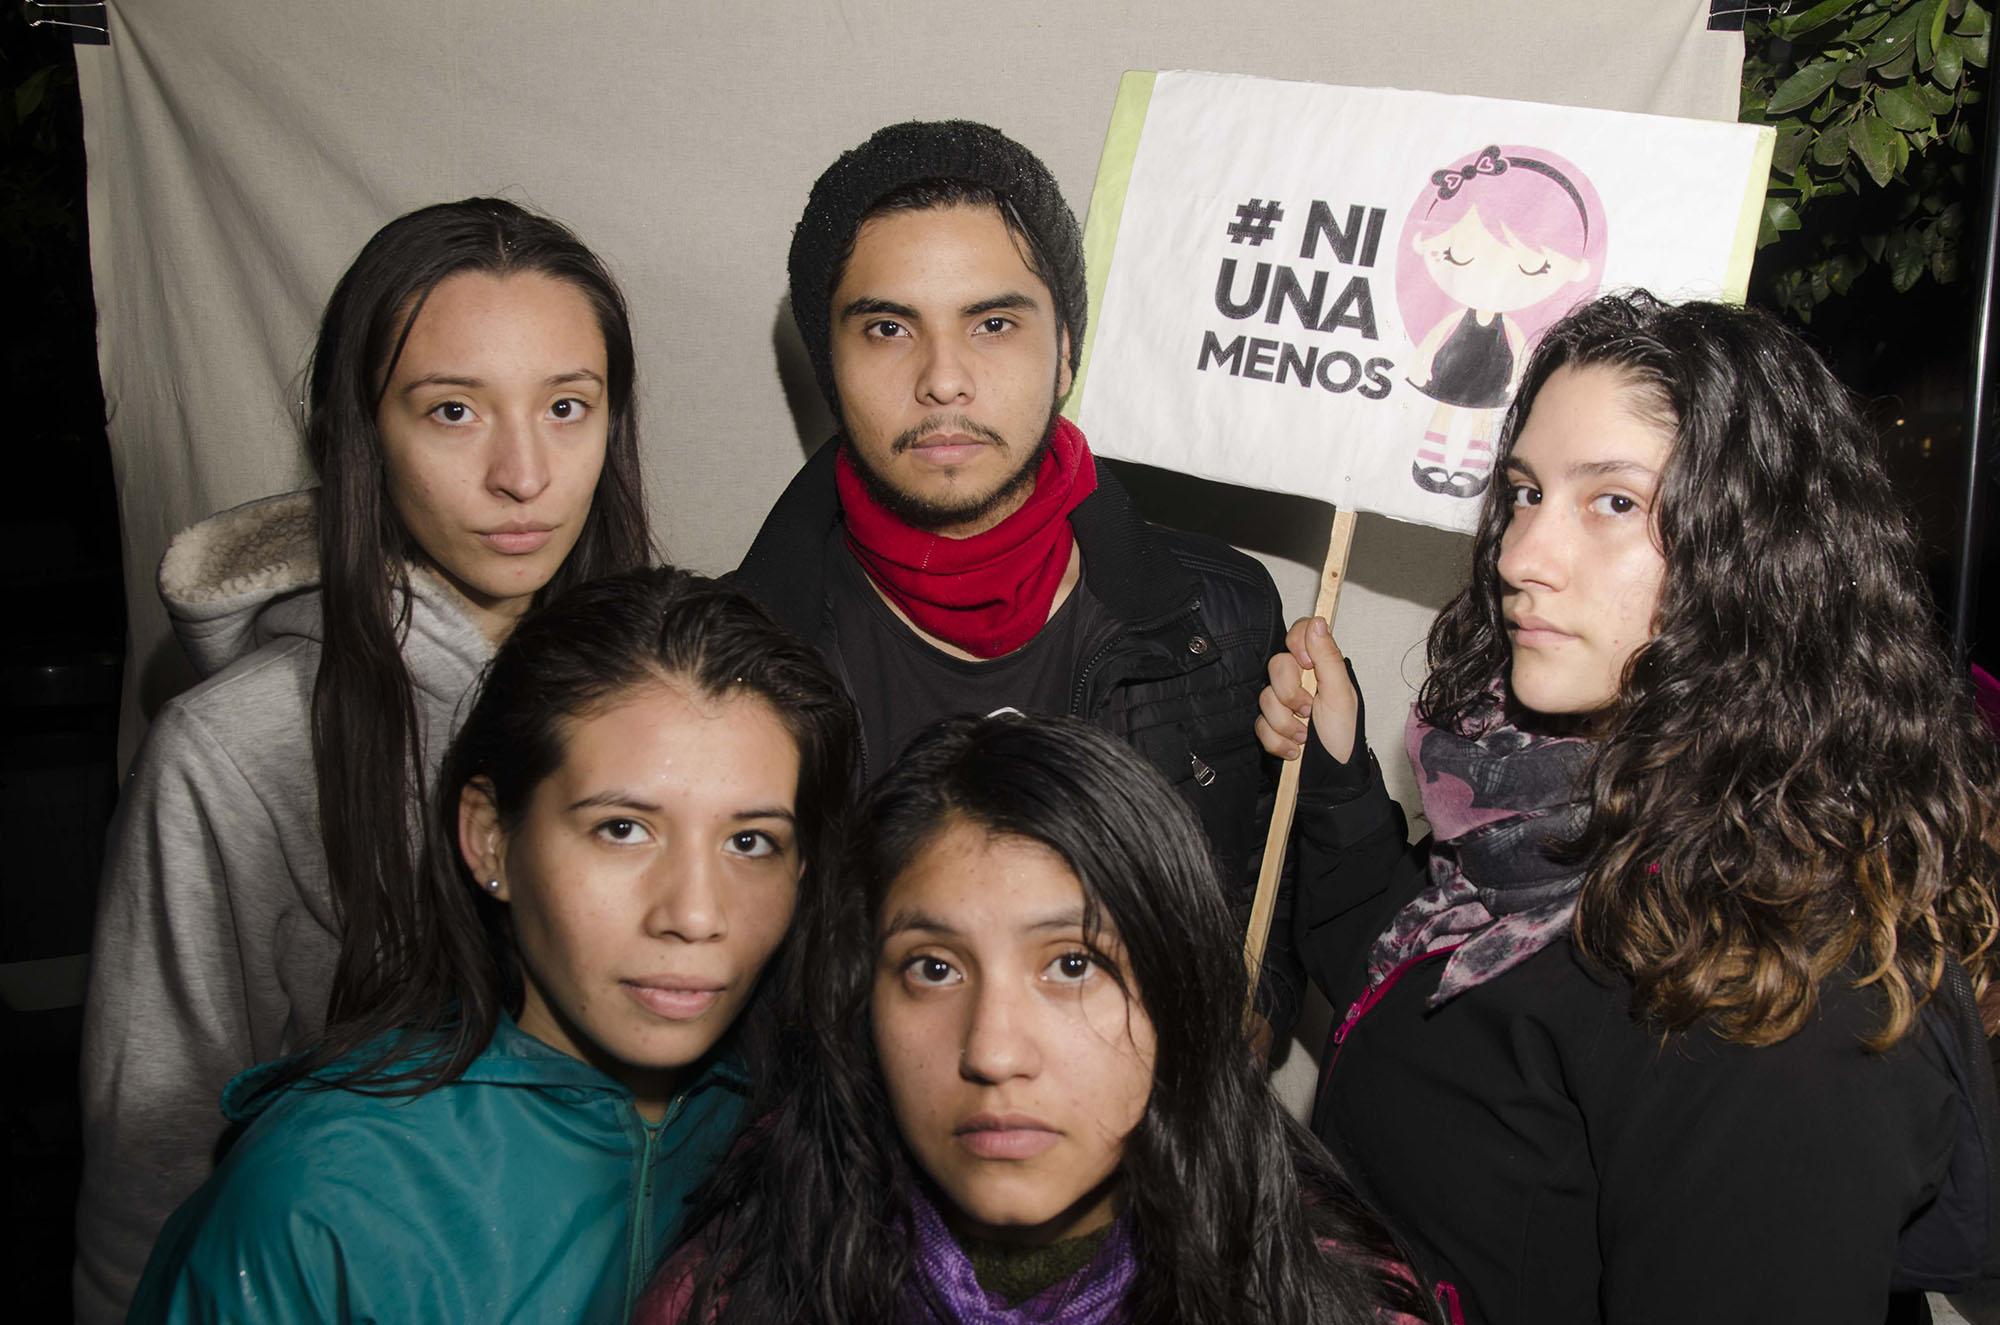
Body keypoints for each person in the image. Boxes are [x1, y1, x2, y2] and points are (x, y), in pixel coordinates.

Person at [1258, 291, 2000, 1322]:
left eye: (1610, 500)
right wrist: (1336, 776)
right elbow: (1413, 1001)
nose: (1519, 557)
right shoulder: (1542, 805)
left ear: (1758, 551)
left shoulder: (1776, 1007)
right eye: (1521, 492)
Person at [76, 197, 654, 1323]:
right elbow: (146, 1166)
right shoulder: (234, 750)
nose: (523, 473)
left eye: (567, 407)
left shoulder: (674, 697)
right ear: (360, 431)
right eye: (451, 410)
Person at [126, 568, 857, 1322]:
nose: (696, 913)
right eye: (623, 829)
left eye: (749, 840)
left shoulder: (818, 1139)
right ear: (489, 838)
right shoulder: (320, 1201)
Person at [737, 119, 1296, 1034]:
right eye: (888, 327)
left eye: (993, 323)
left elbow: (1261, 957)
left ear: (1067, 350)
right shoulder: (730, 661)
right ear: (830, 371)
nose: (944, 379)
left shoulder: (1220, 614)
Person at [641, 714, 1437, 1324]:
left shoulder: (1328, 1296)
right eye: (934, 968)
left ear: (1178, 988)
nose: (991, 1051)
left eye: (1072, 964)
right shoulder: (741, 1280)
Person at [1394, 144, 1602, 498]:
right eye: (1456, 256)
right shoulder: (1459, 316)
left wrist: (1517, 380)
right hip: (1454, 364)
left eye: (1531, 267)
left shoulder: (1509, 326)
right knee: (1444, 411)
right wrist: (1422, 361)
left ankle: (1472, 469)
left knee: (1482, 421)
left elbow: (1519, 348)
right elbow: (1438, 335)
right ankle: (1429, 460)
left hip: (1491, 370)